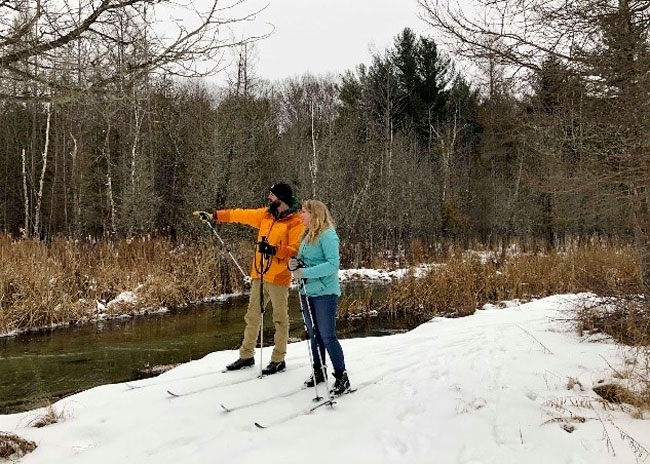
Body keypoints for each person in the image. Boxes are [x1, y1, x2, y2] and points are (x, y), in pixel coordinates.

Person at [200, 182, 303, 375]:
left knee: (280, 319)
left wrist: (273, 250)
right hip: (260, 274)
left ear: (281, 198)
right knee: (252, 316)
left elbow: (295, 251)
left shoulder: (296, 221)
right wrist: (215, 216)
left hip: (279, 277)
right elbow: (241, 214)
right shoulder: (266, 214)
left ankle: (278, 359)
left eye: (271, 195)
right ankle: (246, 355)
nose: (269, 198)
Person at [289, 200, 351, 395]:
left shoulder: (328, 235)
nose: (301, 215)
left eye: (304, 212)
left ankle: (342, 376)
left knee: (327, 335)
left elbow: (333, 265)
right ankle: (319, 371)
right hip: (307, 292)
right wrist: (294, 265)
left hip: (325, 293)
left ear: (315, 214)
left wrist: (304, 272)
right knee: (314, 334)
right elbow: (305, 263)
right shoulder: (307, 236)